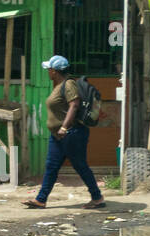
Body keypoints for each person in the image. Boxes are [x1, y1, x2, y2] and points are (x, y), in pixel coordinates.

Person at [23, 55, 105, 210]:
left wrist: (64, 127)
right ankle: (41, 200)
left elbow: (74, 105)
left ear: (54, 71)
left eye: (49, 69)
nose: (48, 71)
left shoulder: (68, 84)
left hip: (71, 133)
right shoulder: (59, 85)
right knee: (51, 166)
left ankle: (97, 198)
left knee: (80, 166)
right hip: (58, 136)